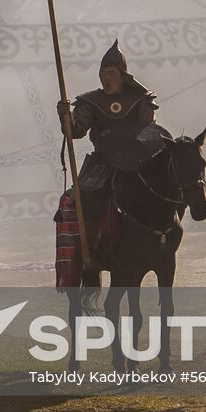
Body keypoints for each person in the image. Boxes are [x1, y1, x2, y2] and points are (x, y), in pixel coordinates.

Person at [57, 40, 172, 260]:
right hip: (103, 162)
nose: (105, 78)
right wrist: (65, 116)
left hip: (137, 159)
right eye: (102, 74)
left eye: (110, 73)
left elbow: (149, 130)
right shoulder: (90, 102)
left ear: (122, 75)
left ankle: (166, 234)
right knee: (84, 197)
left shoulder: (141, 99)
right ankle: (91, 247)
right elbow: (76, 131)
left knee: (165, 185)